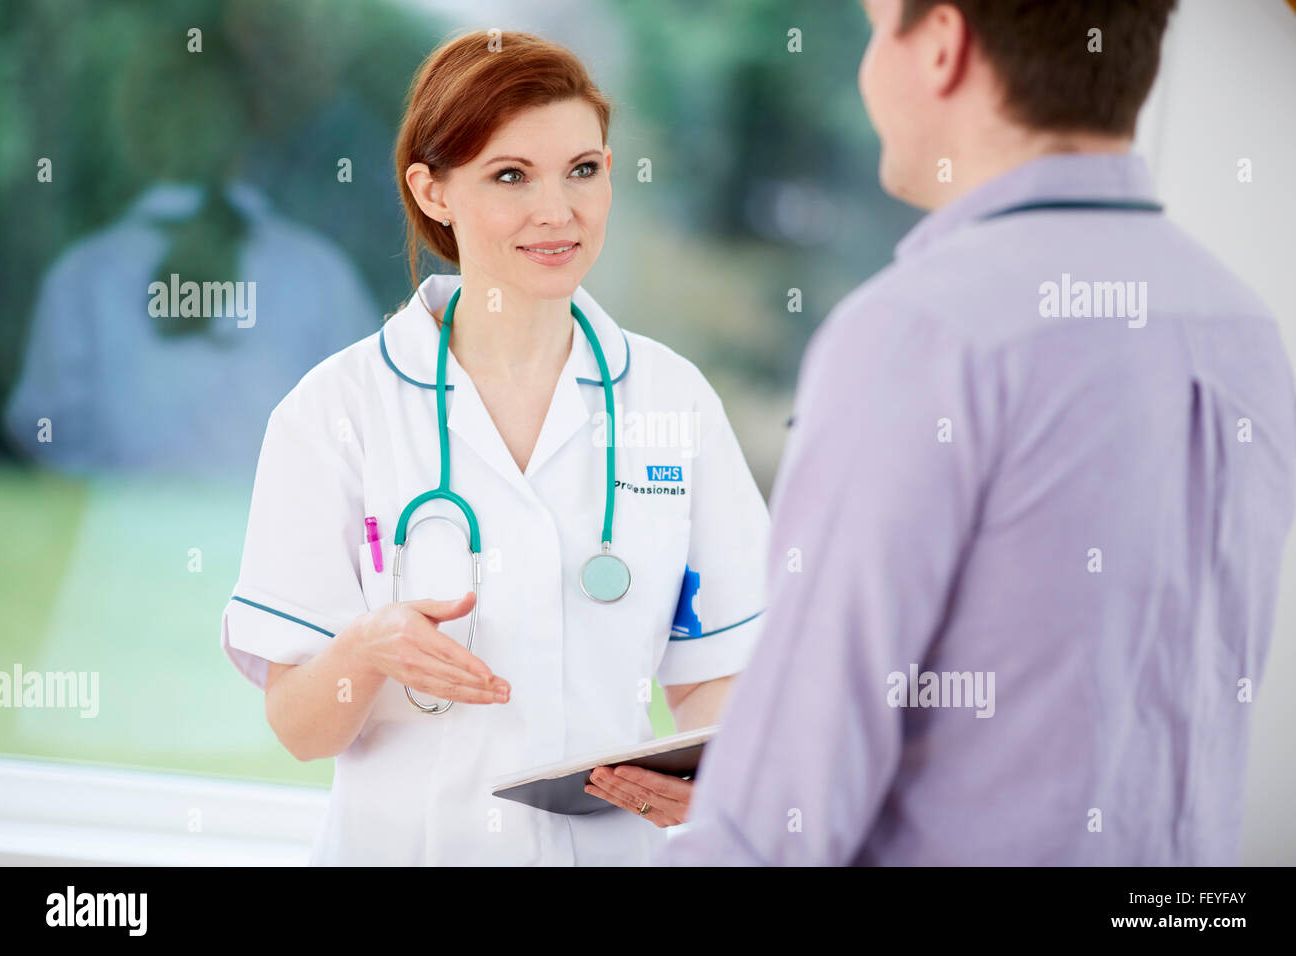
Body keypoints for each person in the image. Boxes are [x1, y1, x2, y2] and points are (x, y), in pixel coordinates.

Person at [657, 0, 1296, 865]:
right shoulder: (1244, 327)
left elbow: (773, 835)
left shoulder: (923, 330)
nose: (866, 64)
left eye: (878, 26)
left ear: (942, 44)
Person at [219, 30, 769, 865]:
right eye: (510, 176)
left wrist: (710, 775)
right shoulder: (336, 410)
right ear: (432, 190)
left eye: (582, 170)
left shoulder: (673, 400)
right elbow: (298, 727)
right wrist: (368, 650)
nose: (558, 211)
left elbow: (713, 675)